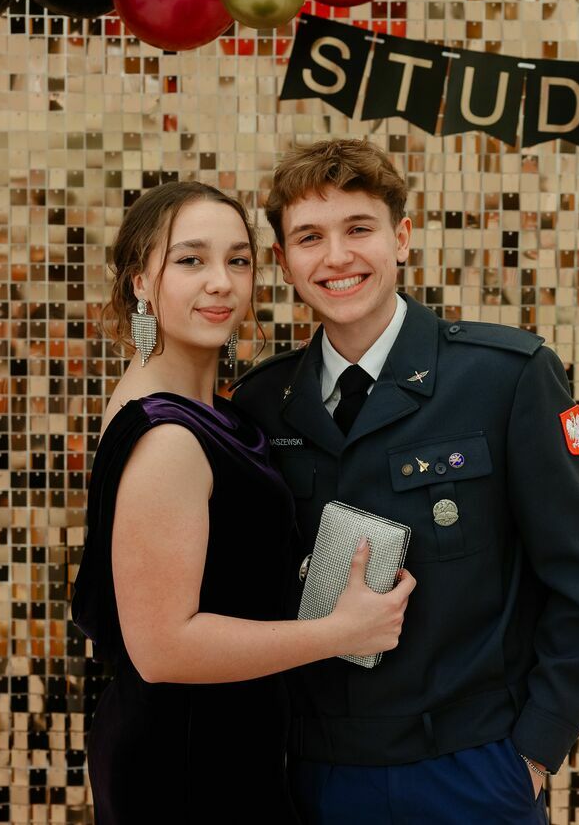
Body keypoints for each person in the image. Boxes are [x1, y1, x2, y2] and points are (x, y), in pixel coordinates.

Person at [232, 140, 579, 824]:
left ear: (402, 237)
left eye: (359, 228)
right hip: (315, 777)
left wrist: (533, 753)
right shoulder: (261, 403)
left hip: (472, 770)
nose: (336, 257)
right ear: (285, 262)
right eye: (310, 237)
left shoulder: (505, 378)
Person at [69, 180, 415, 824]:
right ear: (141, 281)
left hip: (230, 737)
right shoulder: (167, 436)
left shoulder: (209, 408)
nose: (221, 283)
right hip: (189, 760)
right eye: (190, 260)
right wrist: (342, 632)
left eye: (237, 260)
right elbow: (163, 648)